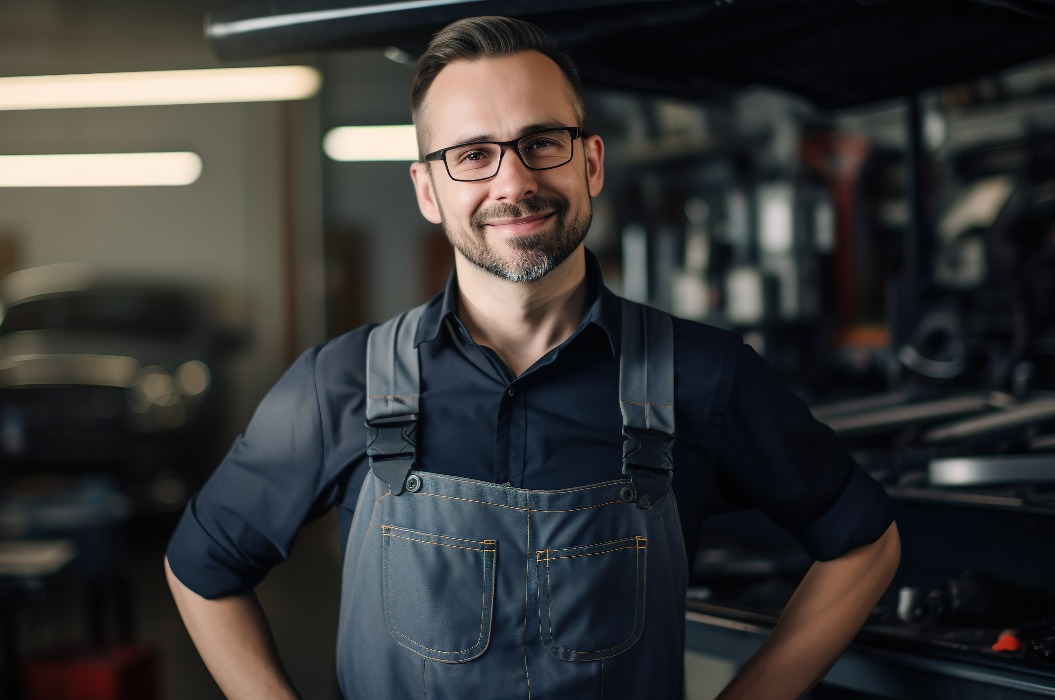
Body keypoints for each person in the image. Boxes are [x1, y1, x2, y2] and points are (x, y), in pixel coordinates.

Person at [165, 15, 900, 699]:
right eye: (472, 155)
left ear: (590, 162)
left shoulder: (702, 375)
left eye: (541, 141)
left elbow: (863, 544)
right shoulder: (338, 385)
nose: (513, 183)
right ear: (428, 190)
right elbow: (201, 569)